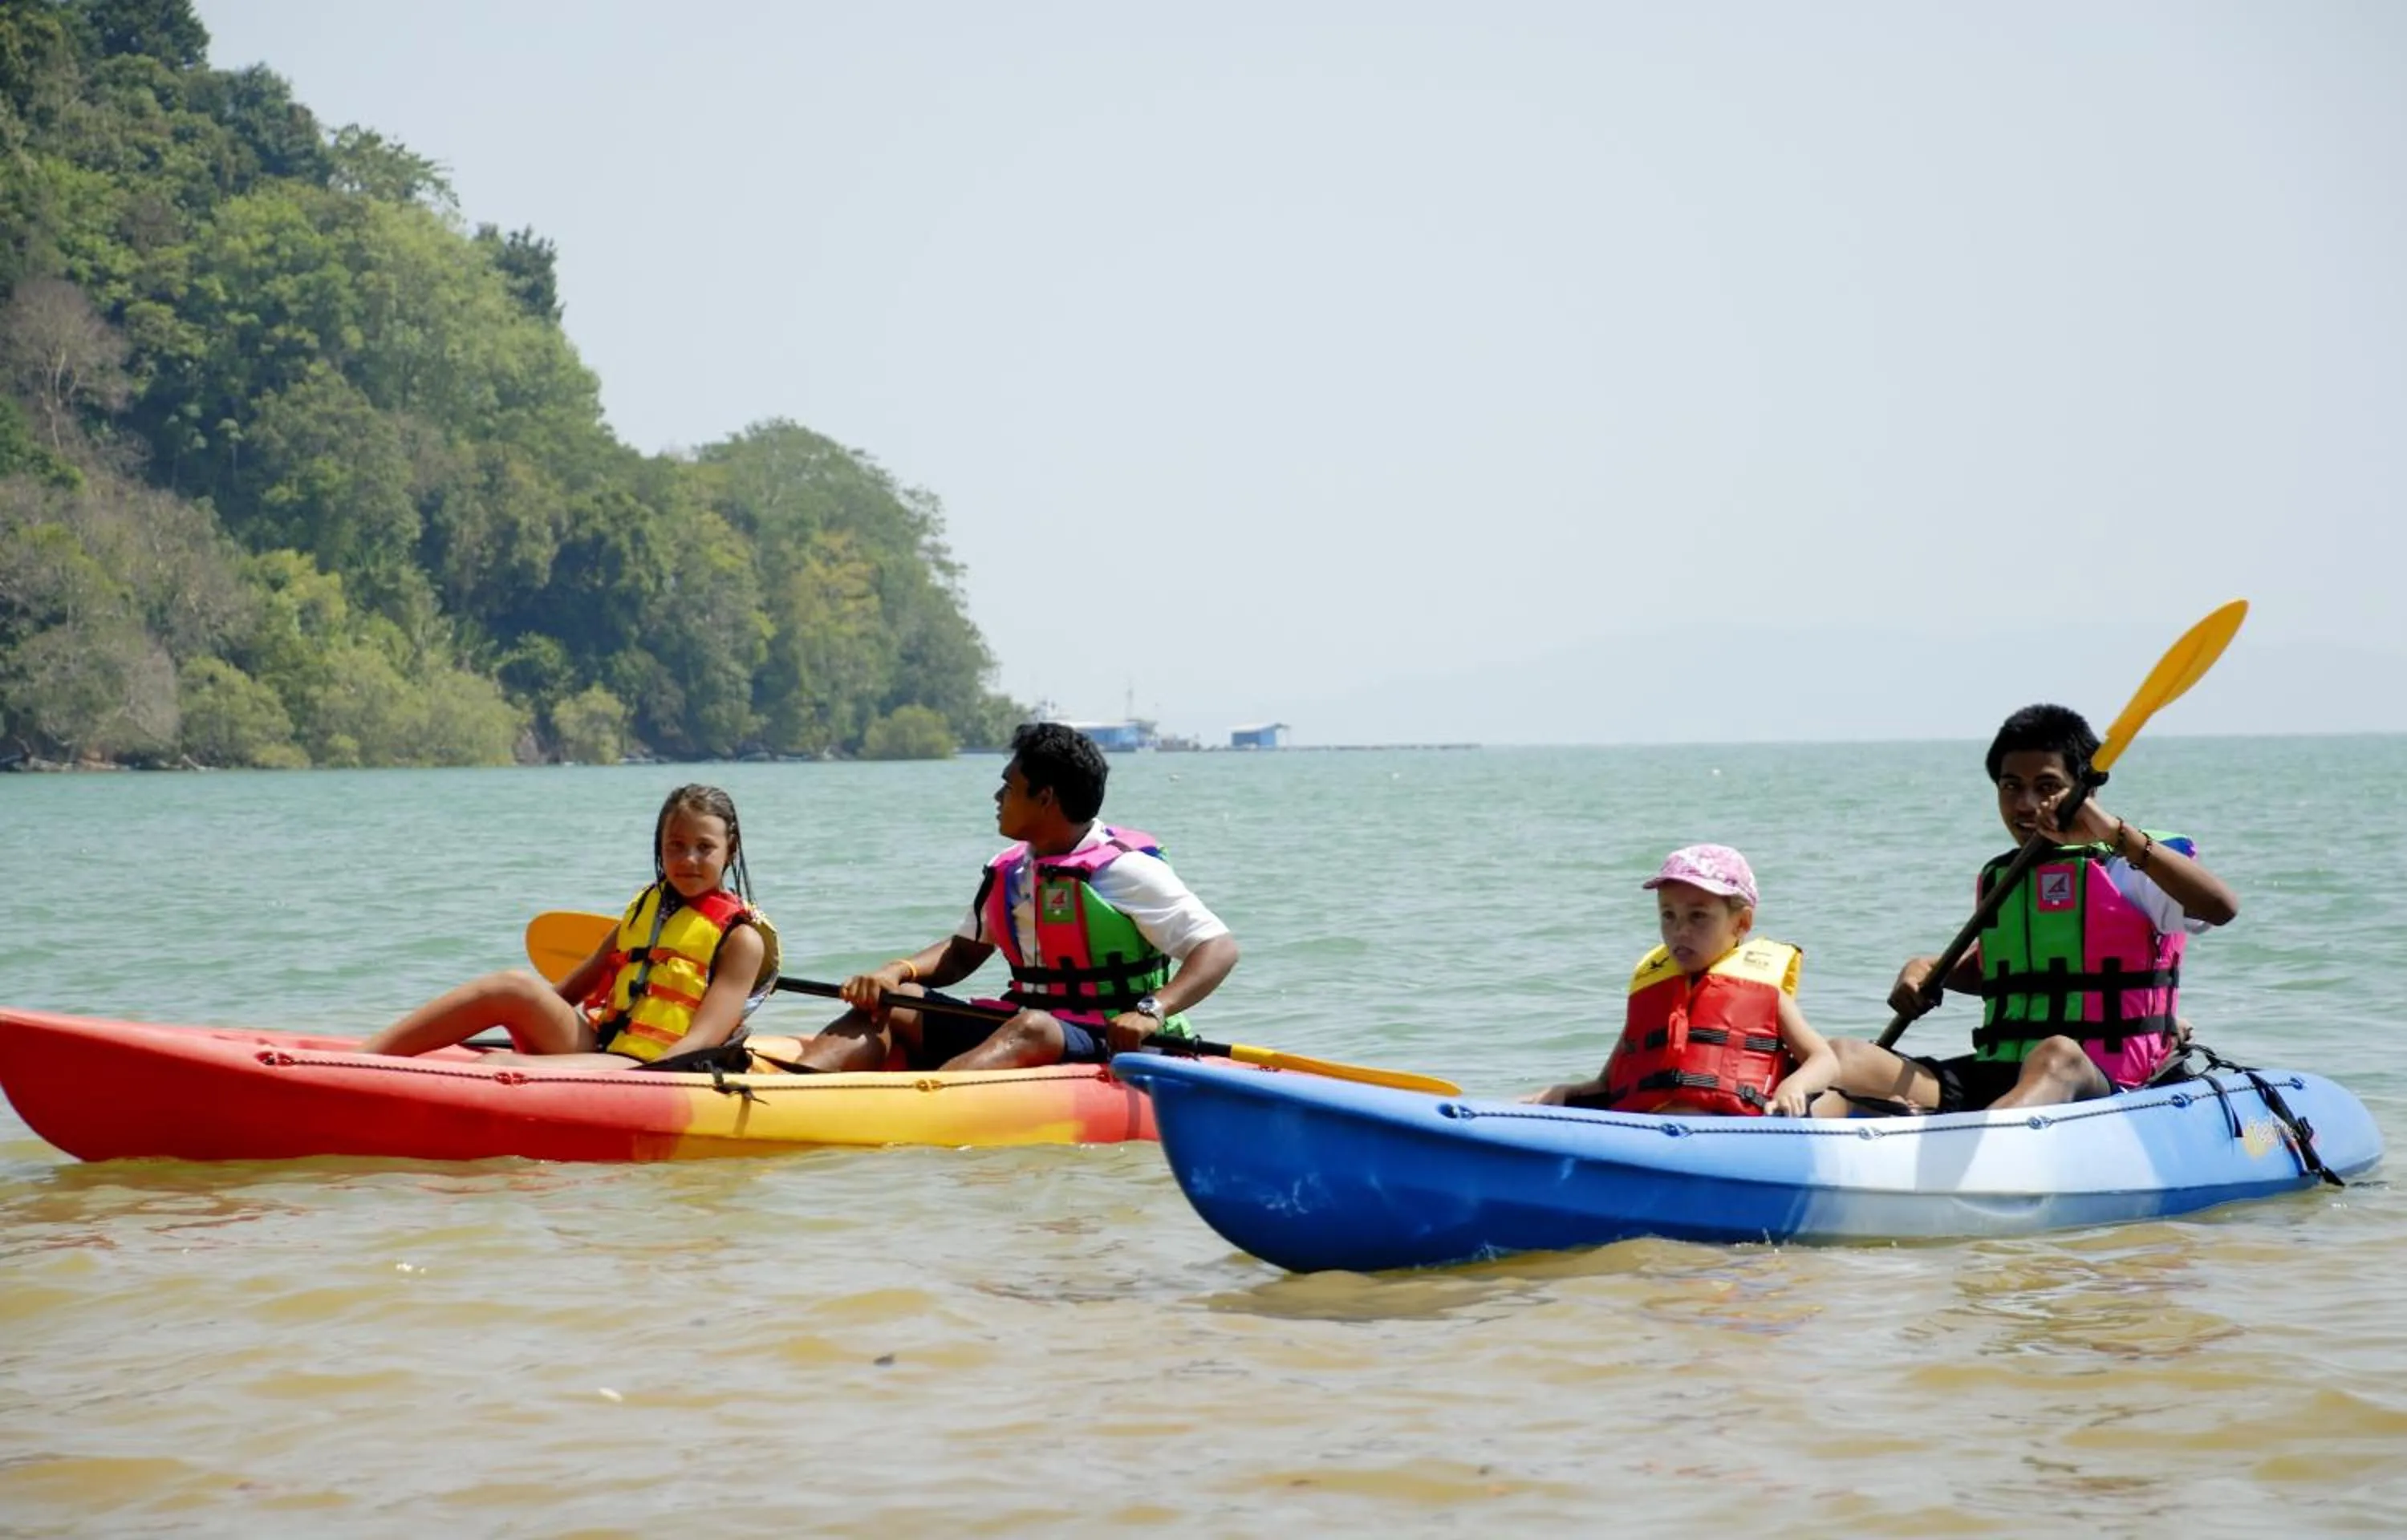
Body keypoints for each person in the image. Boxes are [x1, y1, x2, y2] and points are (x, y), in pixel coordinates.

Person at [1818, 703, 2239, 1114]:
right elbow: (2006, 972)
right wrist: (1925, 970)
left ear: (2087, 792)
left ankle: (1984, 1139)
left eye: (2047, 786)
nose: (2025, 803)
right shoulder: (2003, 875)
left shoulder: (2130, 865)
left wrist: (2115, 833)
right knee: (1845, 1058)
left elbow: (2220, 907)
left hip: (2101, 1082)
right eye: (2011, 786)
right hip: (1999, 1074)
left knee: (2057, 1054)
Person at [796, 723, 1240, 1072]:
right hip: (1022, 1023)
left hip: (1111, 1036)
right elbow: (961, 955)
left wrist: (1151, 1010)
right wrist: (895, 973)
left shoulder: (1125, 869)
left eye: (1008, 787)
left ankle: (923, 1104)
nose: (997, 796)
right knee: (898, 1000)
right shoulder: (1011, 870)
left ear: (1044, 798)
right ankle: (798, 1086)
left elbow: (1218, 948)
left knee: (1034, 1027)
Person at [359, 784, 774, 1070]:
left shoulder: (741, 940)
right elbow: (564, 995)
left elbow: (701, 1042)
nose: (688, 860)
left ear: (730, 850)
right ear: (660, 846)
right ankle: (366, 1058)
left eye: (705, 847)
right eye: (676, 846)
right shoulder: (645, 911)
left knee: (497, 1065)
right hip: (603, 1047)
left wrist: (629, 1081)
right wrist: (523, 1020)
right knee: (513, 986)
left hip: (656, 1067)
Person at [1523, 843, 1838, 1116]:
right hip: (1649, 1127)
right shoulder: (1653, 990)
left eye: (1698, 916)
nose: (1680, 930)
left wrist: (1794, 1085)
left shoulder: (1765, 995)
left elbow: (1824, 1060)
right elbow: (1607, 1083)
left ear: (1741, 923)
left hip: (1731, 1130)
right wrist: (1570, 1091)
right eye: (1668, 915)